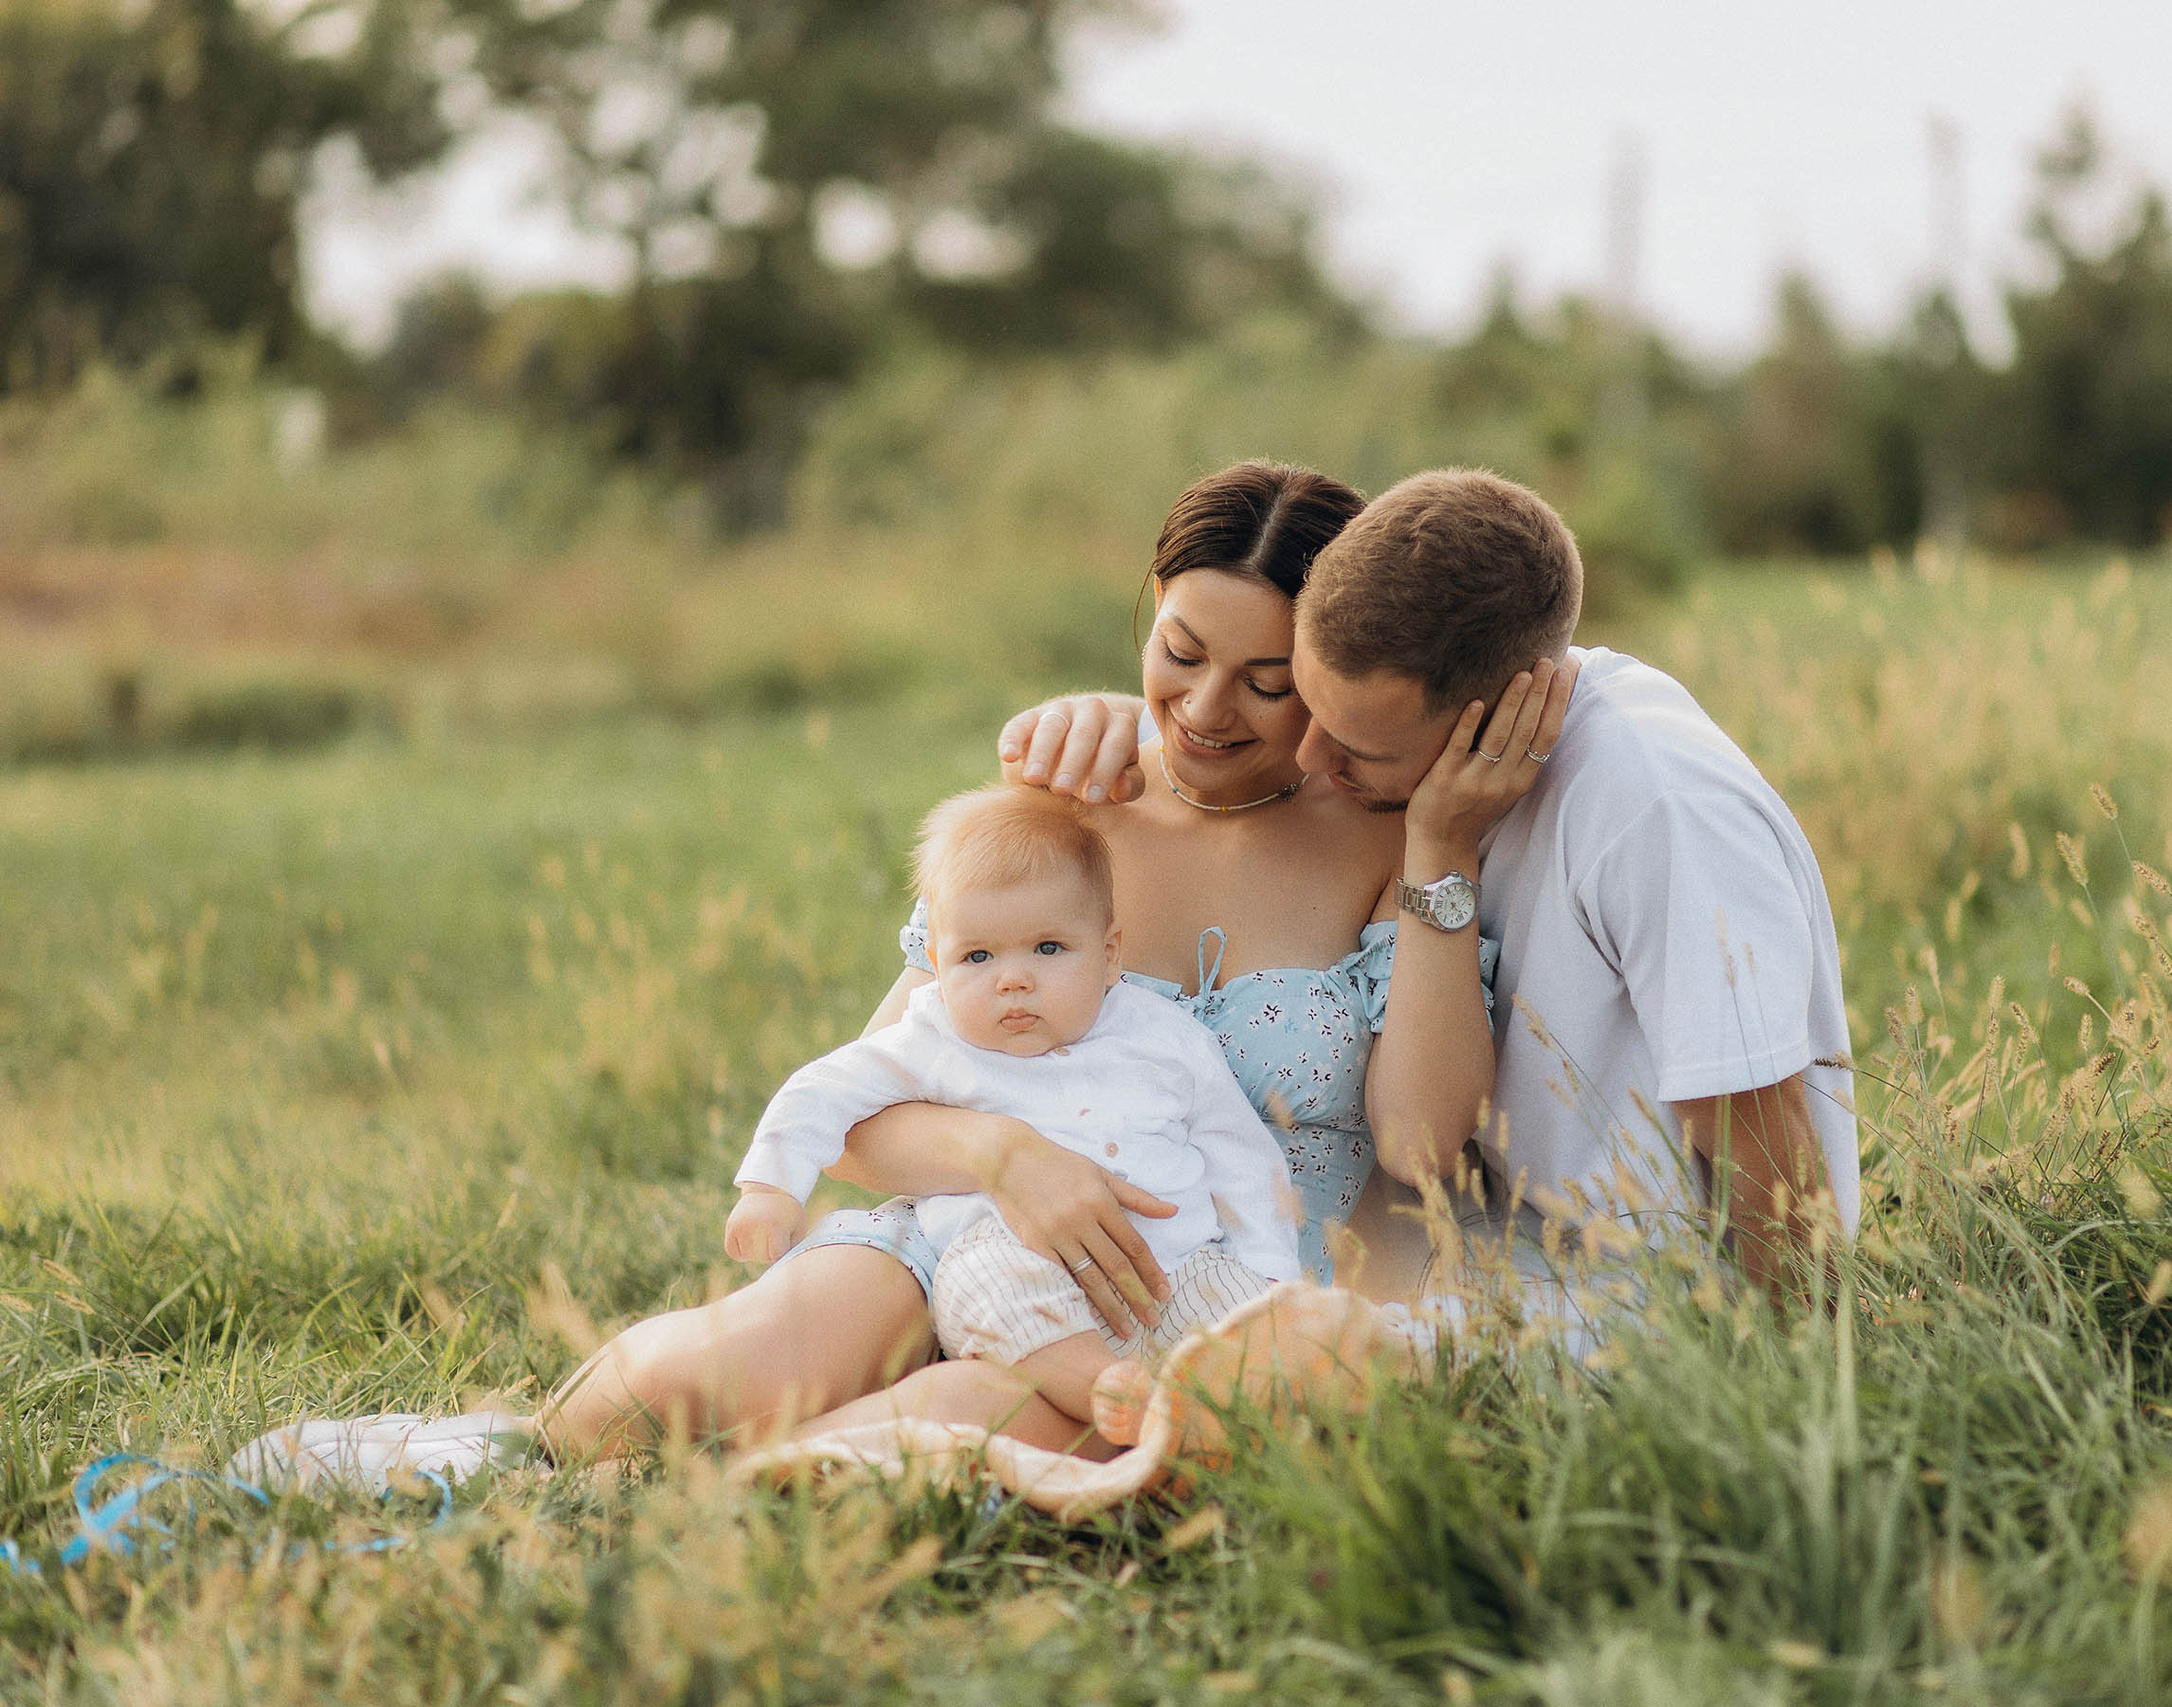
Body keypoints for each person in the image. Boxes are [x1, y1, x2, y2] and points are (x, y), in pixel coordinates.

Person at [231, 461, 1564, 1488]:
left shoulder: (1394, 849)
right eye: (1178, 652)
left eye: (1268, 680)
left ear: (1329, 671)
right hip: (941, 1235)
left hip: (1174, 1306)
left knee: (924, 1448)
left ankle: (664, 1518)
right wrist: (1002, 1156)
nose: (1208, 710)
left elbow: (1425, 1145)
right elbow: (865, 1113)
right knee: (732, 1366)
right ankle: (505, 1447)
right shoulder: (1062, 812)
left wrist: (1442, 851)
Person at [1005, 469, 1858, 1302]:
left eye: (1345, 740)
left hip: (1637, 1299)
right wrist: (1128, 724)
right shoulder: (1434, 733)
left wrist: (1804, 1386)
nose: (1313, 764)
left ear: (1484, 717)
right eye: (1304, 701)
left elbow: (1756, 1129)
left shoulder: (1656, 808)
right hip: (1482, 1266)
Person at [727, 784, 1300, 1440]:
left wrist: (1274, 1275)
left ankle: (1236, 1405)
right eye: (978, 956)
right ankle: (1103, 1386)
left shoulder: (1163, 1038)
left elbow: (1241, 1158)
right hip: (1017, 1258)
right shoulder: (934, 1038)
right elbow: (823, 1089)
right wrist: (769, 1189)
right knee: (981, 1283)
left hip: (1169, 1267)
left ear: (1110, 953)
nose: (1013, 978)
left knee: (1251, 1314)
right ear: (937, 965)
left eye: (1048, 948)